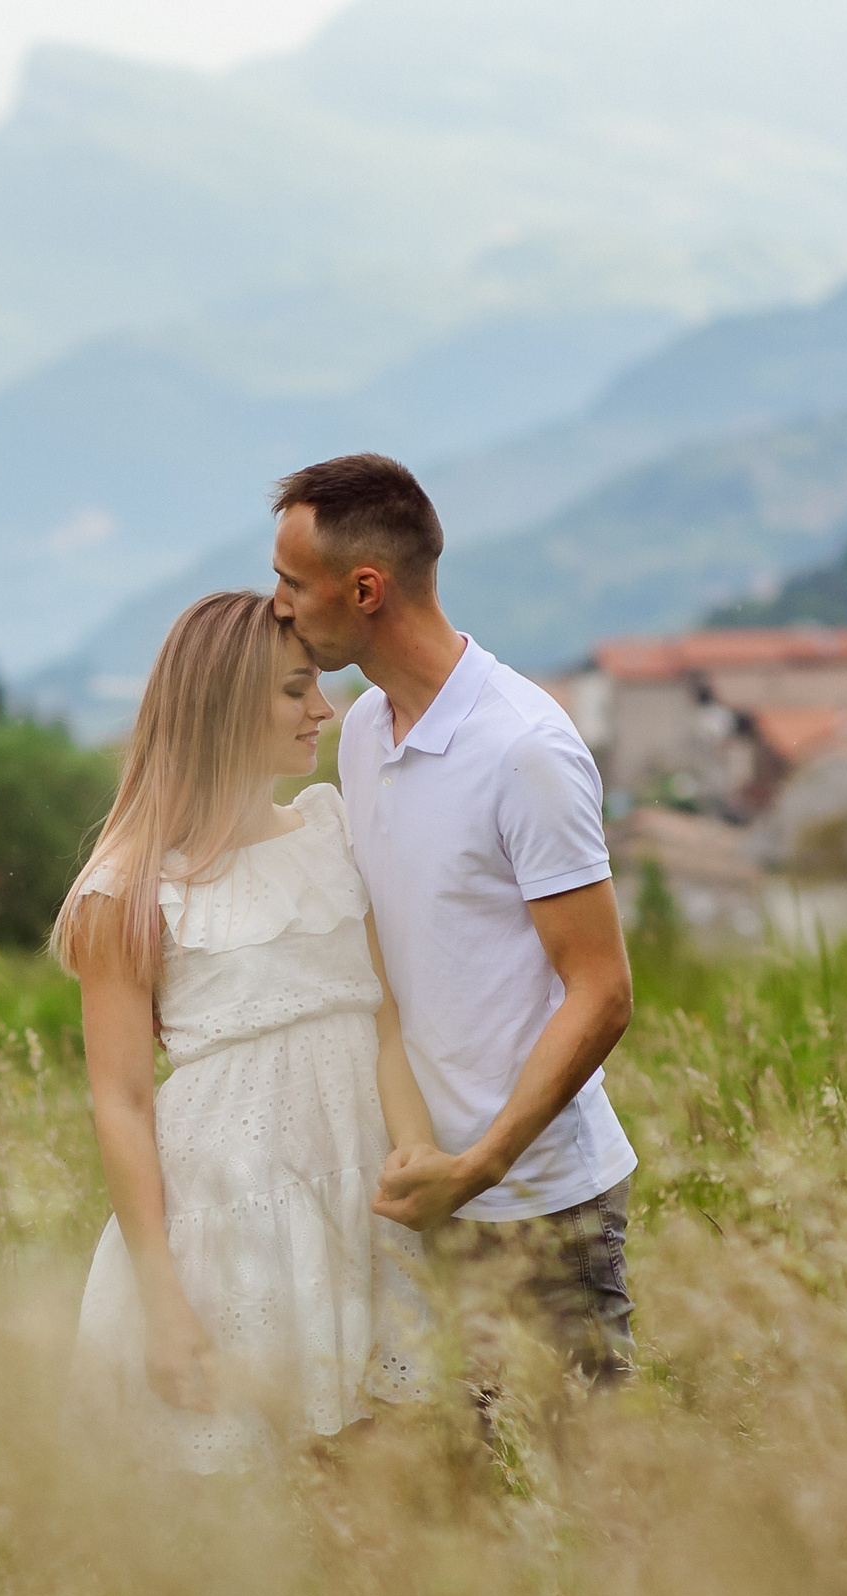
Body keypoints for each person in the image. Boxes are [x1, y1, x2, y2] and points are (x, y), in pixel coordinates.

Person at [269, 452, 639, 1384]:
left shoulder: (524, 748)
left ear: (365, 590)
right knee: (460, 1475)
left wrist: (479, 1167)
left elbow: (602, 991)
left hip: (542, 1204)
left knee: (587, 1467)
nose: (278, 605)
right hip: (417, 1194)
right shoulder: (362, 731)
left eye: (291, 583)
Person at [54, 590, 436, 1473]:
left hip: (361, 1201)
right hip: (228, 1226)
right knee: (244, 1493)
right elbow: (121, 1102)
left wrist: (416, 1157)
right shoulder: (129, 887)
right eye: (295, 690)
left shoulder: (333, 831)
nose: (322, 710)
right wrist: (162, 1302)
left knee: (386, 1487)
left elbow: (387, 1025)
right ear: (222, 706)